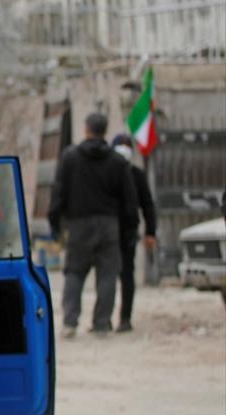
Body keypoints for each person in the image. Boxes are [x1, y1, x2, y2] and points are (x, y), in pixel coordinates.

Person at [48, 113, 136, 338]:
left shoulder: (70, 157)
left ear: (86, 129)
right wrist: (129, 231)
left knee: (75, 272)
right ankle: (102, 323)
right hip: (109, 224)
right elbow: (129, 200)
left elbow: (58, 191)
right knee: (107, 275)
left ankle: (70, 322)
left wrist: (55, 222)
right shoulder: (117, 161)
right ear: (105, 131)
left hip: (78, 224)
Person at [110, 133, 158, 332]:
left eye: (127, 145)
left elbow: (147, 204)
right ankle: (102, 318)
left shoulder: (137, 174)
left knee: (127, 275)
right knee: (106, 276)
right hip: (108, 232)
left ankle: (125, 318)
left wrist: (150, 232)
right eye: (120, 145)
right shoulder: (106, 171)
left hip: (127, 232)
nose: (124, 149)